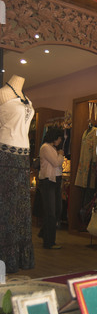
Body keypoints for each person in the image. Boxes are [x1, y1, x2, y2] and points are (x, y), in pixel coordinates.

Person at [0, 75, 35, 273]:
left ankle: (18, 258)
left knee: (20, 209)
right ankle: (4, 259)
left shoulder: (26, 98)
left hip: (23, 157)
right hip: (5, 156)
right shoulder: (2, 94)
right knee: (6, 209)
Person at [38, 127, 64, 249]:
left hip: (55, 181)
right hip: (48, 181)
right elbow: (56, 163)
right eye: (59, 138)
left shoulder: (52, 148)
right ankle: (49, 242)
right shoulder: (45, 148)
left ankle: (44, 233)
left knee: (57, 209)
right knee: (51, 213)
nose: (60, 141)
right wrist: (61, 155)